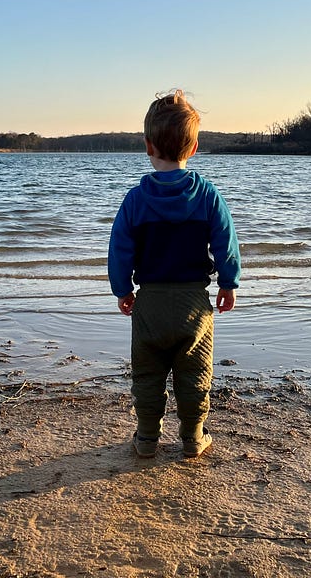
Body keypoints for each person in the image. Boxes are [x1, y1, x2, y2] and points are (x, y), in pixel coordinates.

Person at [107, 90, 241, 459]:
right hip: (193, 304)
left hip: (149, 302)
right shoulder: (207, 196)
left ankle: (147, 439)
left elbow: (120, 249)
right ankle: (193, 438)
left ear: (148, 146)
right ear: (194, 147)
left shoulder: (136, 199)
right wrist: (229, 282)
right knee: (195, 376)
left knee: (147, 377)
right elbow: (225, 242)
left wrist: (122, 288)